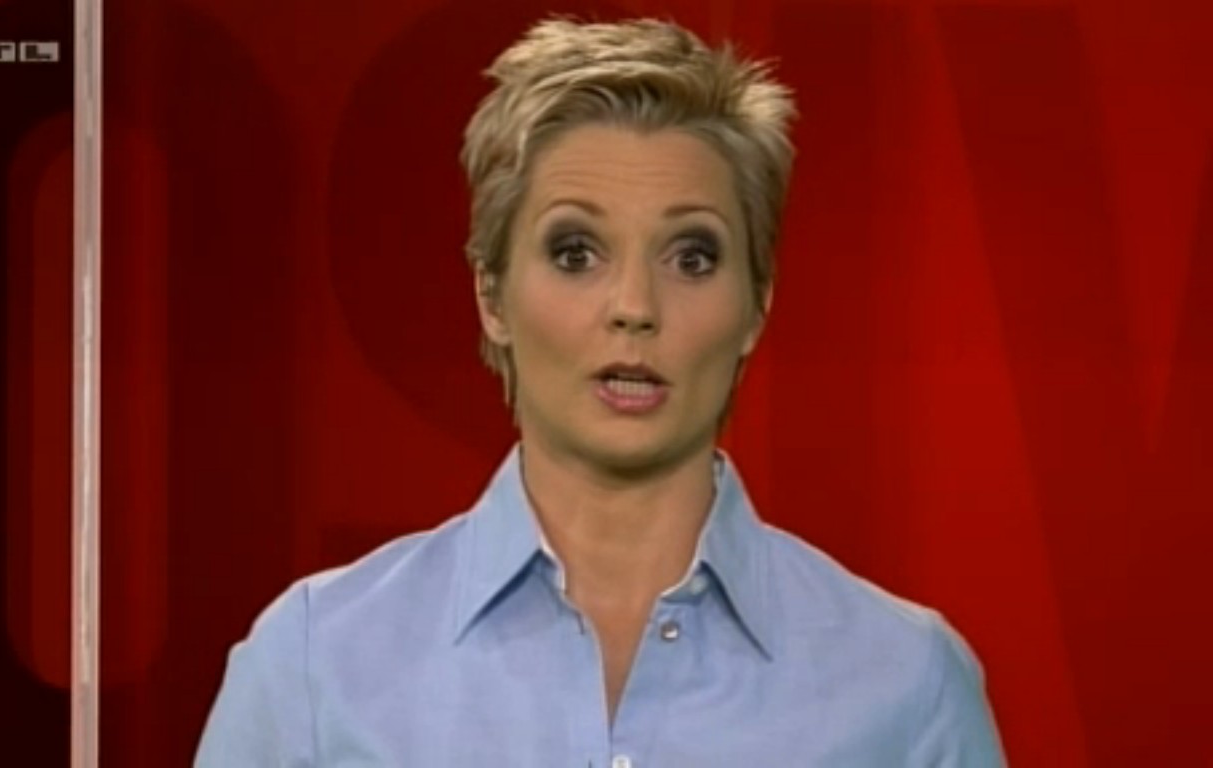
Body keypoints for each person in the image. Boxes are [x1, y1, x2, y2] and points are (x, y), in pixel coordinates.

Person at [197, 16, 1005, 767]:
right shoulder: (315, 665)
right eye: (576, 252)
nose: (634, 307)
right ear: (491, 294)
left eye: (692, 257)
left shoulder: (907, 684)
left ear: (756, 304)